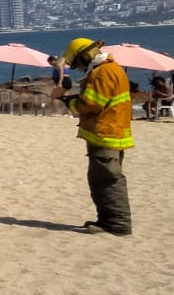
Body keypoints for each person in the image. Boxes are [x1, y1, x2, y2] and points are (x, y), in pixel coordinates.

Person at [53, 37, 133, 236]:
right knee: (101, 179)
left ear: (85, 56)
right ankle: (107, 220)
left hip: (106, 134)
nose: (79, 68)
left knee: (107, 179)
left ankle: (117, 223)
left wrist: (70, 103)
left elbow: (92, 104)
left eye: (78, 63)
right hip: (111, 132)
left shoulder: (102, 72)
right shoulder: (110, 69)